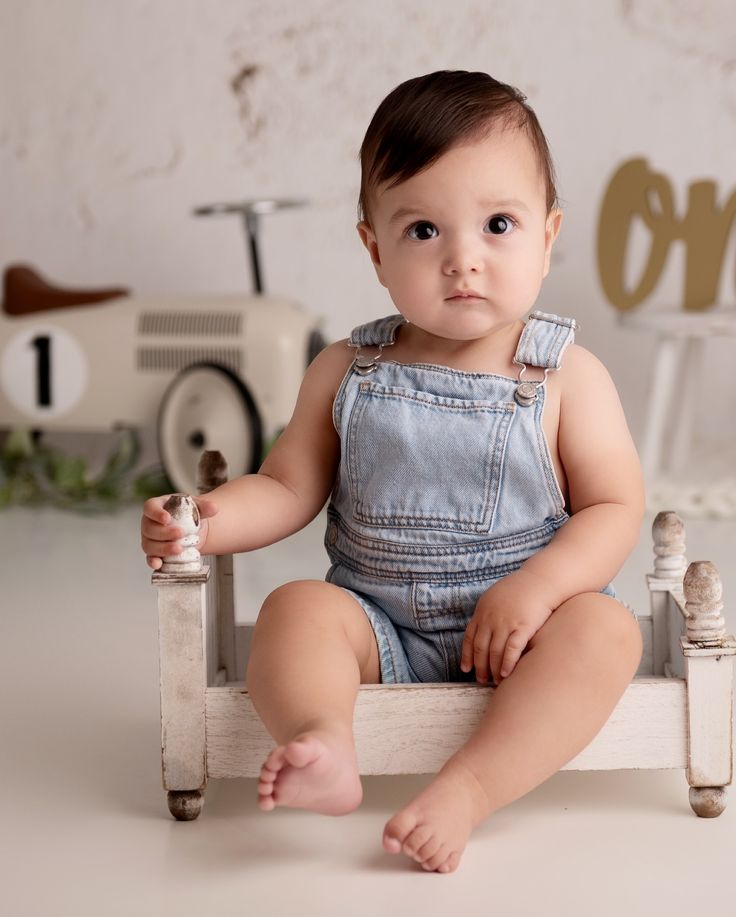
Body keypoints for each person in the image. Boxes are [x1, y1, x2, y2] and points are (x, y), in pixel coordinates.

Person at [140, 70, 644, 874]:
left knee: (608, 631)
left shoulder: (566, 376)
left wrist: (540, 586)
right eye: (423, 232)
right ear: (374, 249)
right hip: (381, 631)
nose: (462, 261)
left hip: (528, 631)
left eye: (498, 224)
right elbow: (285, 488)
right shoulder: (347, 367)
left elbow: (616, 506)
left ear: (548, 237)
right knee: (296, 607)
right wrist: (205, 519)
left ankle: (469, 787)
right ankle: (325, 738)